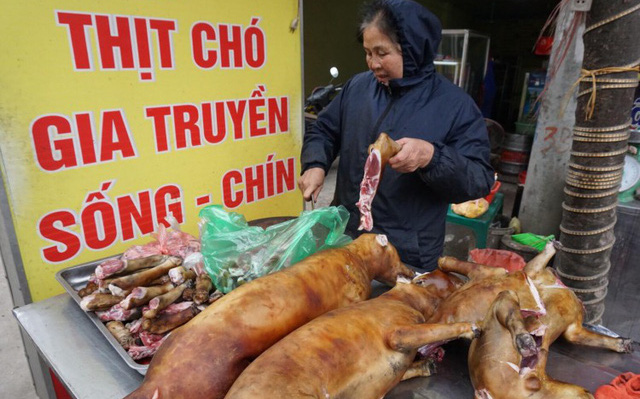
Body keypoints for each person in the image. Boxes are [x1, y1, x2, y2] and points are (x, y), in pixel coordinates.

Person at [298, 0, 494, 271]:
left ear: (413, 50)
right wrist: (315, 164)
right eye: (367, 52)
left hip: (406, 252)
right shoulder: (358, 88)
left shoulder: (455, 106)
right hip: (347, 239)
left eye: (382, 52)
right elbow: (324, 129)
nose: (373, 63)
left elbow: (479, 179)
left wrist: (431, 157)